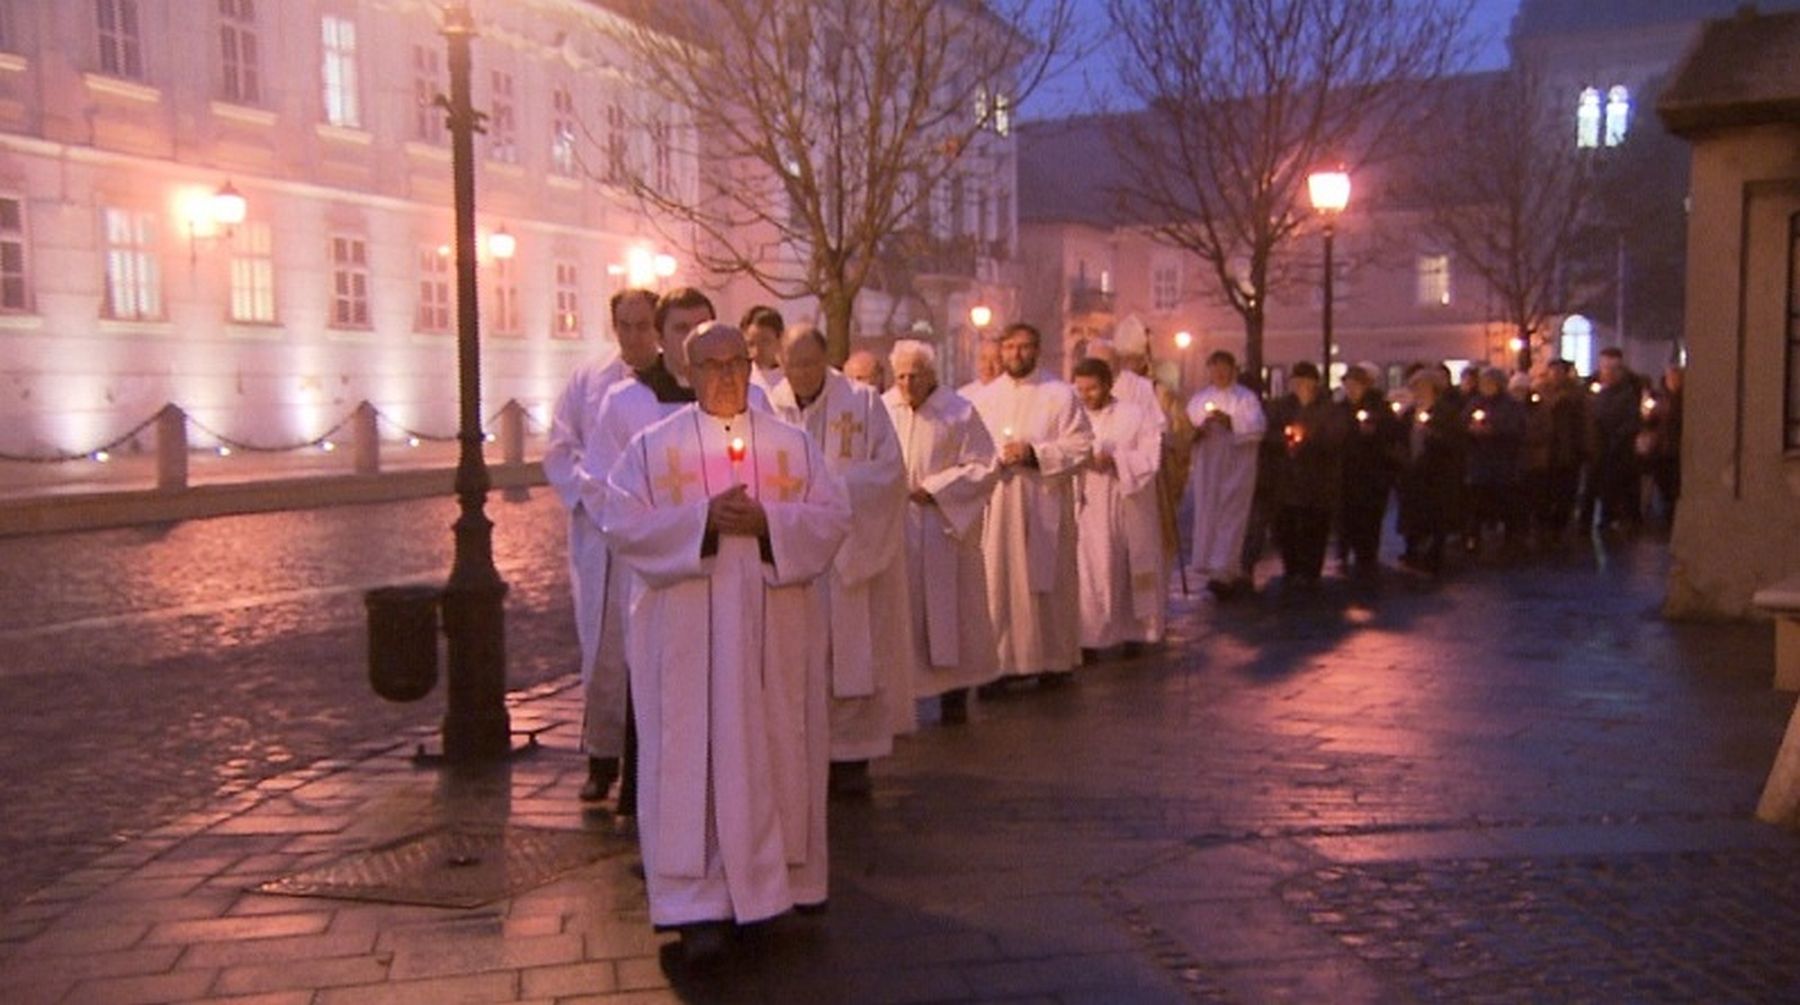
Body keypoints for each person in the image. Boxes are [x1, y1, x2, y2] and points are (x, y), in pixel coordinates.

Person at [601, 322, 850, 960]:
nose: (726, 376)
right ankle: (696, 904)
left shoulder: (792, 446)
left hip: (774, 640)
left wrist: (770, 522)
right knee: (691, 758)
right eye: (711, 365)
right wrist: (702, 522)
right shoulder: (653, 449)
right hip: (686, 643)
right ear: (688, 373)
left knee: (776, 746)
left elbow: (833, 518)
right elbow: (621, 524)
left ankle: (777, 890)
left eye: (736, 362)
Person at [582, 286, 723, 814]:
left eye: (701, 327)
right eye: (680, 329)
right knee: (653, 682)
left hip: (722, 570)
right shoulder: (627, 403)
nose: (691, 340)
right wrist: (662, 533)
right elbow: (600, 486)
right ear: (661, 337)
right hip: (653, 574)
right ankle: (646, 800)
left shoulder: (745, 398)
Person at [769, 325, 915, 797]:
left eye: (811, 363)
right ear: (781, 362)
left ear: (826, 359)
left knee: (850, 654)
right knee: (795, 657)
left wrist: (831, 490)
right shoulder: (768, 406)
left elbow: (890, 473)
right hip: (793, 555)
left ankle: (851, 756)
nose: (802, 373)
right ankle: (798, 756)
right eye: (793, 364)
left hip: (847, 556)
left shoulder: (862, 402)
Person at [542, 288, 658, 804]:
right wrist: (592, 495)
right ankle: (602, 755)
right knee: (602, 644)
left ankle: (647, 761)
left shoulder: (668, 384)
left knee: (650, 645)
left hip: (651, 529)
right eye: (624, 326)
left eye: (642, 326)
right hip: (599, 533)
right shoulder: (589, 379)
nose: (633, 336)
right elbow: (560, 446)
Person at [882, 340, 1000, 724]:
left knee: (950, 612)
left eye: (915, 376)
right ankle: (907, 695)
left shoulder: (958, 411)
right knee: (905, 613)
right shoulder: (884, 408)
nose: (907, 384)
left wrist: (936, 489)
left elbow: (983, 465)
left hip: (943, 527)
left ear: (931, 374)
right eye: (900, 376)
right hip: (899, 527)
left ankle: (954, 693)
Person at [971, 322, 1093, 687]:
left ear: (1037, 350)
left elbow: (1081, 444)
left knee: (1047, 582)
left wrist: (1035, 454)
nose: (1016, 354)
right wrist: (996, 458)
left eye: (1024, 347)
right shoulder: (985, 398)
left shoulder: (1060, 395)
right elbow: (970, 447)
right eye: (1009, 347)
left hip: (1042, 498)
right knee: (998, 583)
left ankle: (1053, 660)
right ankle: (1000, 666)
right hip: (999, 501)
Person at [1071, 358, 1165, 652]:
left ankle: (1132, 632)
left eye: (1092, 389)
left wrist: (1116, 460)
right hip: (1084, 504)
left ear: (1108, 385)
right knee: (1088, 572)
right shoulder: (1072, 416)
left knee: (1123, 566)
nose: (1086, 396)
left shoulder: (1134, 415)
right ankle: (1088, 638)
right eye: (1080, 389)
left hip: (1123, 502)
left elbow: (1150, 456)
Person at [1184, 350, 1266, 597]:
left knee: (1231, 514)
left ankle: (1226, 569)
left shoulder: (1245, 398)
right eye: (1215, 368)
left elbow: (1256, 427)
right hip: (1209, 465)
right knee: (1209, 511)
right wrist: (1199, 429)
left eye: (1224, 367)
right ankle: (1209, 564)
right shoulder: (1199, 399)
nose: (1219, 373)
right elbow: (1187, 429)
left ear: (1232, 370)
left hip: (1235, 466)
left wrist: (1230, 422)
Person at [1263, 362, 1346, 587]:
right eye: (1296, 381)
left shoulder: (1328, 409)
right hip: (1287, 478)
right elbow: (1268, 433)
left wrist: (1307, 439)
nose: (1300, 386)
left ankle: (1310, 571)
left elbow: (1335, 438)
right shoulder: (1281, 407)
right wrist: (1285, 438)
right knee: (1286, 525)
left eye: (1304, 381)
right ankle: (1291, 568)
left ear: (1314, 383)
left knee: (1314, 526)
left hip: (1317, 478)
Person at [1396, 368, 1464, 575]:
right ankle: (1412, 549)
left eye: (1423, 387)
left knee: (1435, 514)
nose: (1419, 391)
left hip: (1436, 472)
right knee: (1413, 512)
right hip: (1412, 471)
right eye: (1416, 387)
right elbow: (1398, 438)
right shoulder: (1409, 413)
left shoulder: (1445, 412)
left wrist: (1432, 434)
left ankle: (1434, 554)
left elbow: (1454, 441)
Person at [1337, 365, 1402, 577]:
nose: (1351, 389)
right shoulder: (1341, 408)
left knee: (1369, 516)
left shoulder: (1380, 407)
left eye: (1355, 385)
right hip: (1347, 471)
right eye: (1348, 385)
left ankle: (1366, 556)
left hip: (1372, 473)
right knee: (1346, 514)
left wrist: (1374, 432)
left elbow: (1392, 434)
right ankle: (1343, 552)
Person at [1461, 366, 1526, 556]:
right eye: (1483, 383)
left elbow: (1517, 429)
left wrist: (1493, 430)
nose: (1486, 386)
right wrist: (1471, 429)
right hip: (1479, 462)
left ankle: (1510, 538)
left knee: (1505, 501)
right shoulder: (1475, 402)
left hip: (1503, 462)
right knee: (1476, 502)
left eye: (1490, 383)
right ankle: (1473, 537)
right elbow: (1463, 422)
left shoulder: (1511, 405)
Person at [1582, 347, 1643, 535]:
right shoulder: (1594, 389)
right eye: (1604, 368)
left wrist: (1615, 439)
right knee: (1591, 487)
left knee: (1611, 487)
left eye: (1611, 369)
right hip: (1595, 448)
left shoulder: (1627, 394)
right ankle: (1587, 522)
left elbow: (1630, 422)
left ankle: (1608, 521)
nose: (1606, 373)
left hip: (1614, 450)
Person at [1641, 363, 1683, 525]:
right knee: (1663, 481)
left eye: (1676, 377)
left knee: (1673, 483)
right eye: (1670, 377)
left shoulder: (1682, 399)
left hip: (1674, 447)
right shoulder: (1661, 398)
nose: (1672, 381)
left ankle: (1670, 514)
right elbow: (1650, 421)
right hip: (1661, 448)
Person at [741, 304, 785, 397]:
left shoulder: (794, 378)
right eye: (751, 344)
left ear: (781, 339)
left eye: (765, 341)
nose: (757, 351)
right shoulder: (742, 382)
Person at [958, 335, 1002, 400]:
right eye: (983, 358)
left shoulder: (1011, 395)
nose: (988, 366)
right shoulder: (963, 395)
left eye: (995, 360)